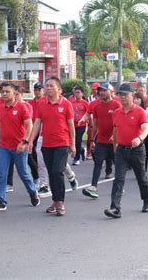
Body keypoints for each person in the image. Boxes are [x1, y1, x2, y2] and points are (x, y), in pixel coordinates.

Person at [0, 83, 40, 212]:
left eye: (7, 91)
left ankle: (32, 192)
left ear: (15, 94)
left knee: (23, 173)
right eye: (2, 92)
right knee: (1, 174)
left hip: (19, 147)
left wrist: (24, 142)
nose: (4, 94)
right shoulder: (0, 107)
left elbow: (29, 126)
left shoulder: (22, 108)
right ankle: (0, 200)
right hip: (3, 146)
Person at [104, 83, 148, 219]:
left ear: (133, 96)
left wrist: (139, 139)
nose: (123, 97)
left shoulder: (140, 111)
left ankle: (147, 200)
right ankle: (115, 208)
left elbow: (145, 129)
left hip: (137, 150)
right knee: (118, 179)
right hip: (122, 151)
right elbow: (115, 130)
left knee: (141, 178)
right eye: (120, 95)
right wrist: (115, 146)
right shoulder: (117, 113)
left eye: (125, 95)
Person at [29, 77, 75, 216]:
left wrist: (73, 144)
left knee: (57, 172)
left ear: (58, 89)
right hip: (46, 144)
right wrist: (30, 140)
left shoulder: (66, 104)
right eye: (46, 86)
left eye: (51, 86)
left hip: (61, 143)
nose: (48, 88)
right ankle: (55, 201)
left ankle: (60, 202)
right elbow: (37, 123)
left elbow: (71, 125)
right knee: (51, 174)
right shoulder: (42, 104)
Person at [82, 82, 121, 199]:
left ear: (111, 91)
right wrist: (92, 139)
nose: (102, 92)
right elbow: (95, 123)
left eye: (104, 90)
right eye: (100, 91)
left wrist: (116, 136)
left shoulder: (116, 105)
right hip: (101, 140)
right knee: (98, 163)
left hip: (114, 141)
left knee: (118, 164)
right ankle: (93, 187)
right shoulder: (97, 106)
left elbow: (120, 123)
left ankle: (119, 185)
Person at [29, 82, 50, 194]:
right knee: (33, 155)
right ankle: (39, 178)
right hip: (32, 130)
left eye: (39, 89)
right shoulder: (31, 102)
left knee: (41, 156)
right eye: (35, 89)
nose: (37, 91)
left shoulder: (45, 101)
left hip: (43, 132)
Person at [134, 92, 148, 172]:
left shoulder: (146, 110)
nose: (136, 101)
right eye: (135, 99)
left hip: (146, 132)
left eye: (138, 99)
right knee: (136, 151)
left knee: (145, 151)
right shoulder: (132, 109)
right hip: (136, 133)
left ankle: (144, 168)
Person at [69, 85, 89, 165]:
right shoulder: (71, 103)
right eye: (75, 92)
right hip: (72, 125)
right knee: (72, 141)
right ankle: (81, 150)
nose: (77, 94)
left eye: (78, 92)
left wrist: (90, 124)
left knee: (77, 140)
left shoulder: (85, 103)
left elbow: (88, 114)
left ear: (82, 93)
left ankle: (76, 158)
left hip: (81, 125)